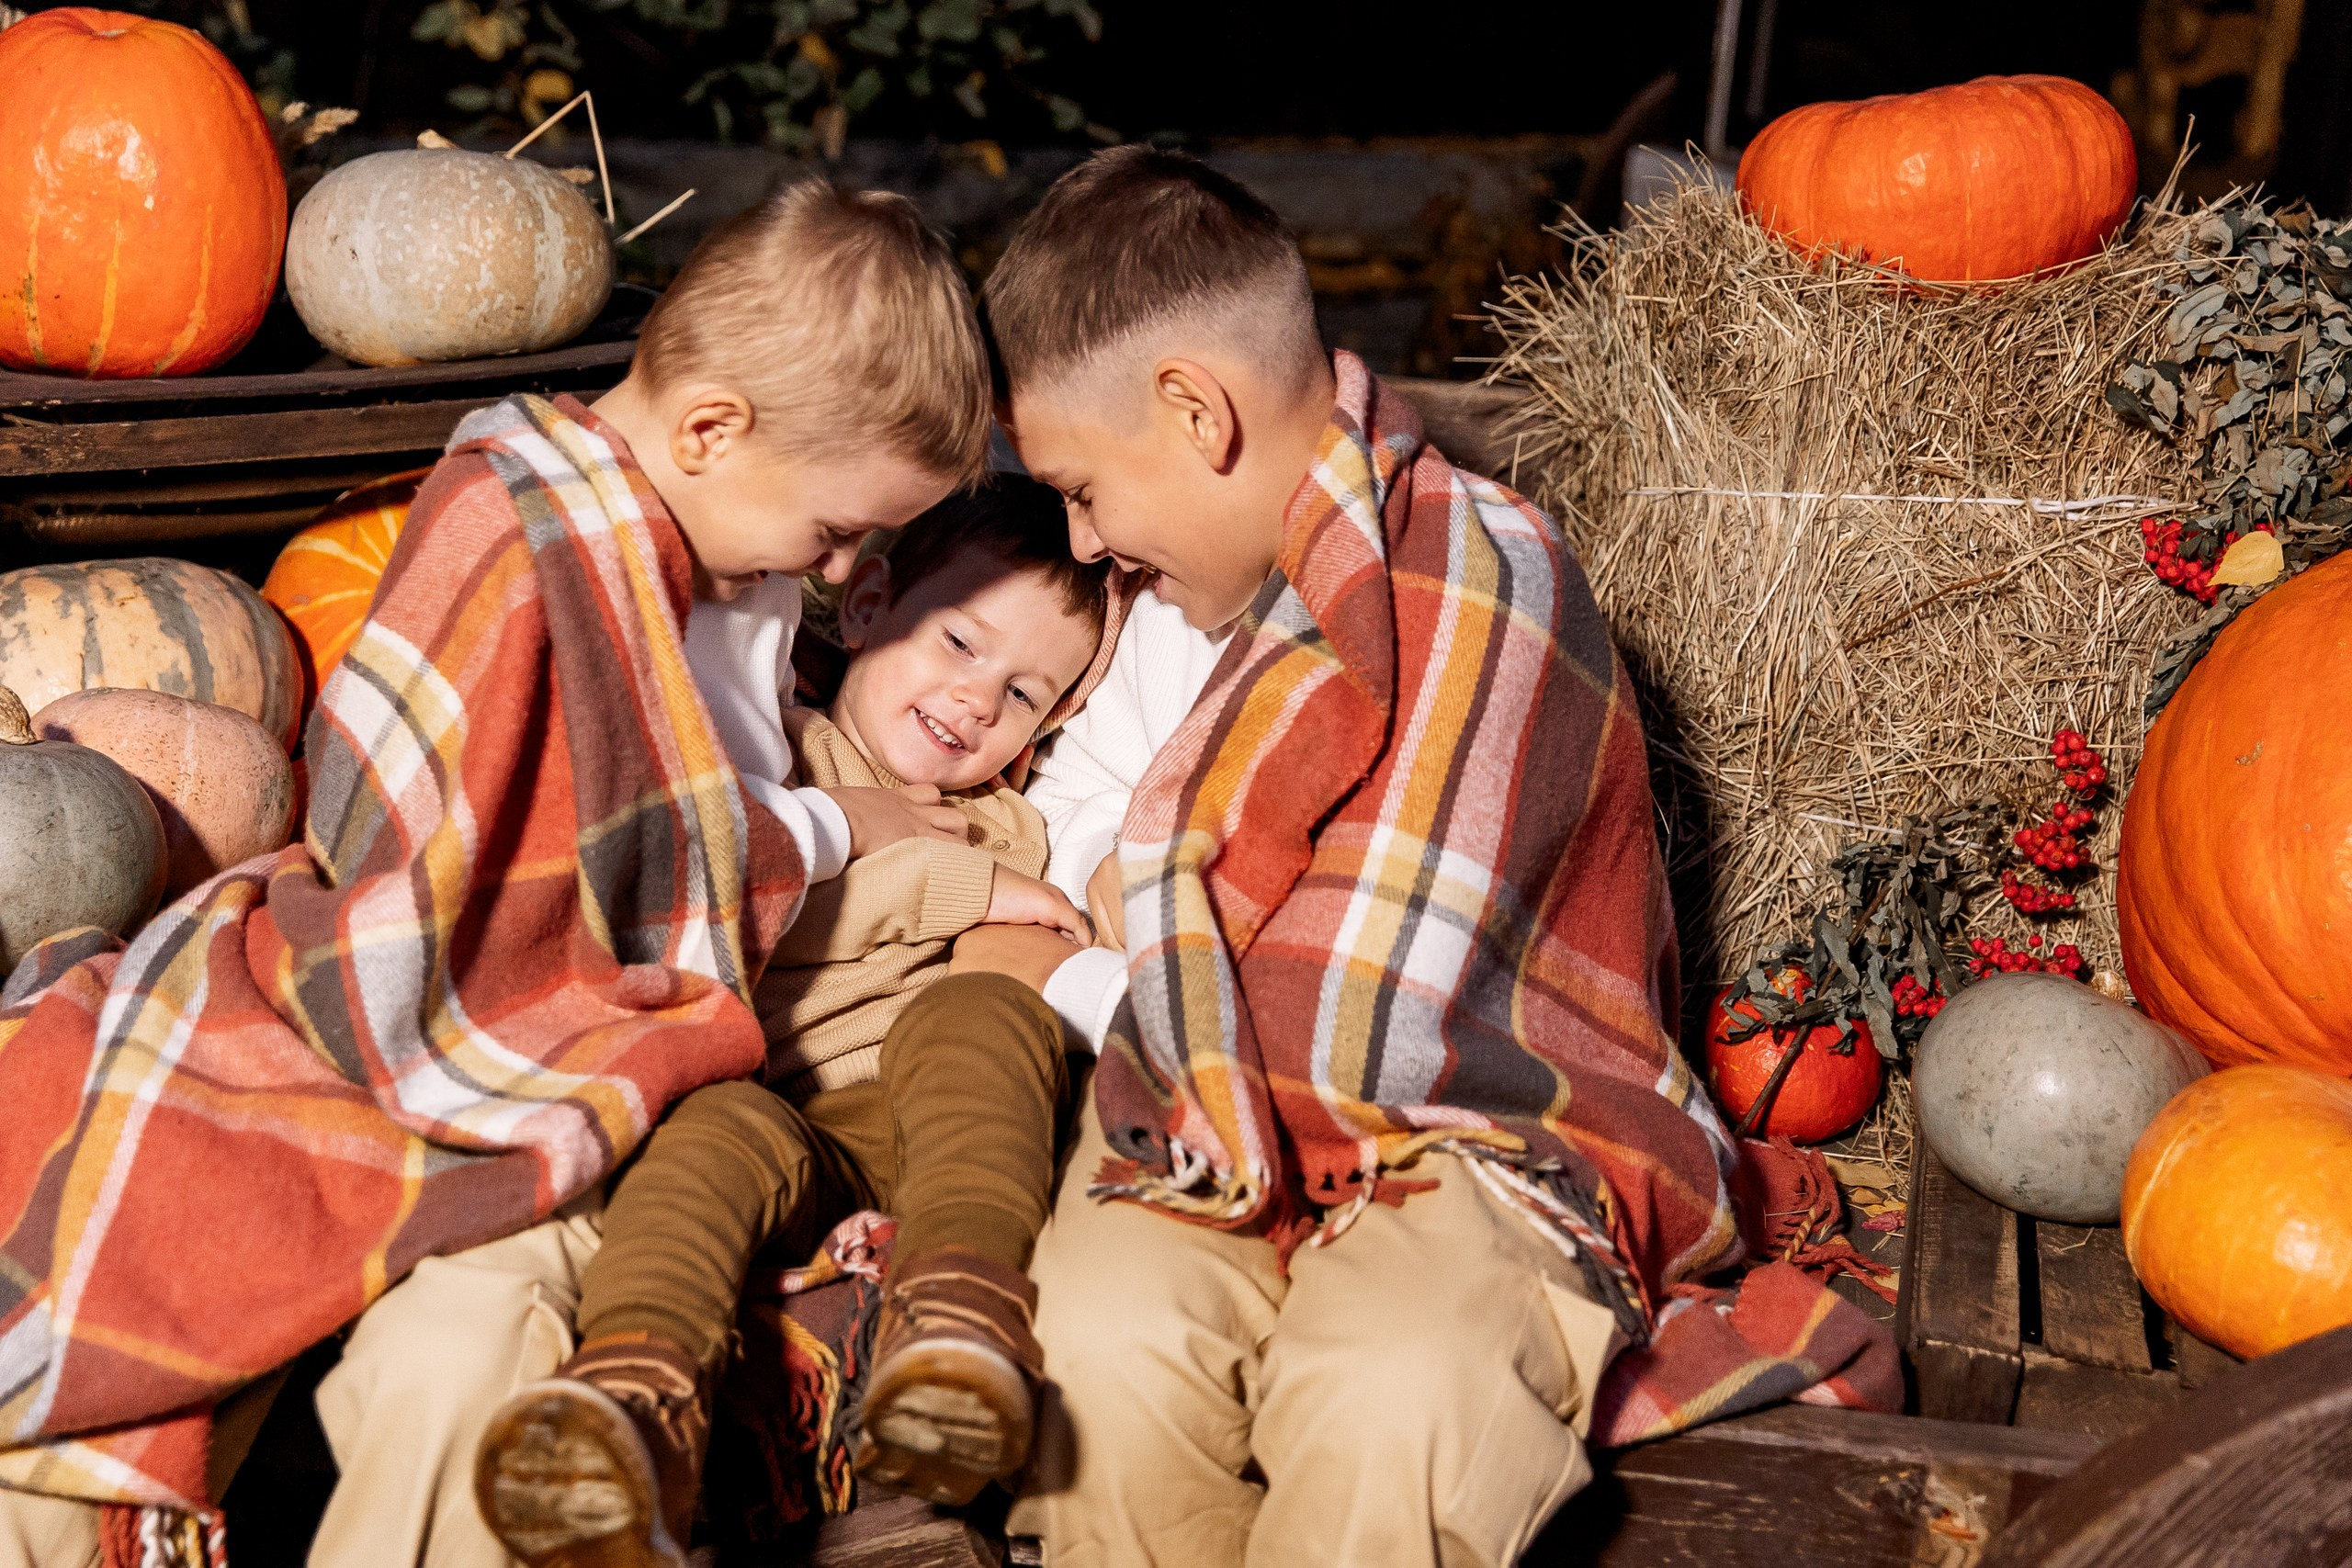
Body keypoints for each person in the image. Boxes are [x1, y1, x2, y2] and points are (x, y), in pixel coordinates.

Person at [0, 180, 994, 1568]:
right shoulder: (522, 525)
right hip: (443, 1000)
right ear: (712, 429)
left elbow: (684, 793)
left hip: (584, 1054)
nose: (836, 570)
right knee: (188, 1225)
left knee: (467, 1355)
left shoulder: (733, 555)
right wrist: (841, 834)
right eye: (833, 533)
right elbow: (561, 842)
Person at [954, 147, 1894, 1568]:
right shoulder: (1166, 617)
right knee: (1099, 1336)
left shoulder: (1477, 568)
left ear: (1194, 412)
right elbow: (1127, 844)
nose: (1087, 541)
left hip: (1489, 1132)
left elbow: (1395, 993)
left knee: (1394, 1378)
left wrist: (1093, 974)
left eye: (1084, 489)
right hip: (1217, 1116)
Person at [470, 481, 1113, 1568]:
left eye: (1020, 695)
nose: (973, 700)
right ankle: (635, 1395)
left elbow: (1025, 979)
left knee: (981, 1013)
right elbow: (748, 928)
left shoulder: (1008, 829)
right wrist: (948, 890)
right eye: (958, 642)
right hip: (784, 1111)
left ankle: (956, 1320)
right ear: (866, 604)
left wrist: (1007, 902)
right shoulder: (783, 763)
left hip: (925, 1124)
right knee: (712, 1125)